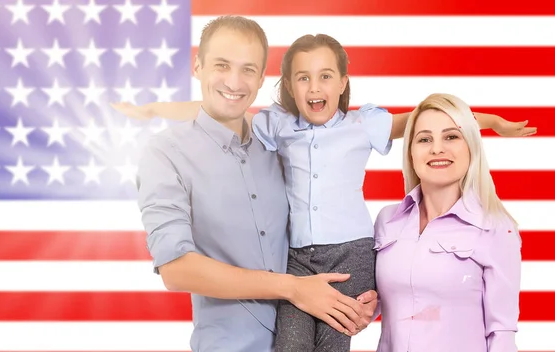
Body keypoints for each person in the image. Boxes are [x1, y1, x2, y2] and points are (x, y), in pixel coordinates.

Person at [116, 32, 534, 351]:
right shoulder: (277, 125)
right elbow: (216, 109)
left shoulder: (361, 125)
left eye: (325, 77)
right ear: (289, 87)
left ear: (342, 83)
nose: (315, 87)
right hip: (297, 259)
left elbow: (425, 119)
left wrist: (490, 121)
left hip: (351, 249)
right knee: (292, 343)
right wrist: (153, 110)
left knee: (335, 339)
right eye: (303, 78)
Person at [134, 16, 377, 352]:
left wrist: (350, 304)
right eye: (222, 65)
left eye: (248, 69)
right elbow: (176, 269)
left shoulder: (279, 144)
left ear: (262, 78)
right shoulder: (165, 153)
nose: (234, 81)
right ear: (197, 66)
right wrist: (293, 288)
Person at [372, 93, 521, 352]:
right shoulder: (387, 221)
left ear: (470, 146)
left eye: (451, 136)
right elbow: (371, 304)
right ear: (410, 151)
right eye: (424, 139)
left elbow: (502, 334)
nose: (437, 149)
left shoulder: (497, 228)